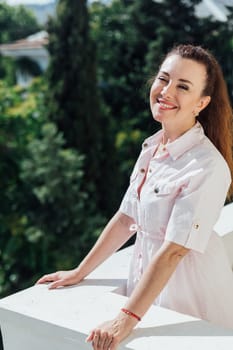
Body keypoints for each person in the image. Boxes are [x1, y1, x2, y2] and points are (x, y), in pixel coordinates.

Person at [37, 44, 233, 349]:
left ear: (201, 103)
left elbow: (173, 251)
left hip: (190, 298)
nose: (166, 91)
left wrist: (125, 318)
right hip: (145, 290)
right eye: (163, 79)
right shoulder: (152, 148)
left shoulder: (207, 166)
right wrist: (80, 271)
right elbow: (126, 218)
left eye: (183, 86)